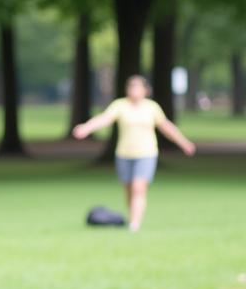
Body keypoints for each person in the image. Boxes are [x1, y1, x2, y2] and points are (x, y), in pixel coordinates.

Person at [72, 74, 195, 232]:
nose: (133, 90)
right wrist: (86, 128)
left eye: (137, 86)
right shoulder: (120, 105)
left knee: (139, 187)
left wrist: (184, 143)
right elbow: (104, 118)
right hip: (124, 154)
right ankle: (132, 217)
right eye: (131, 86)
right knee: (129, 190)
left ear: (145, 90)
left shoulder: (152, 107)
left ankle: (134, 224)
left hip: (146, 154)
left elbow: (166, 126)